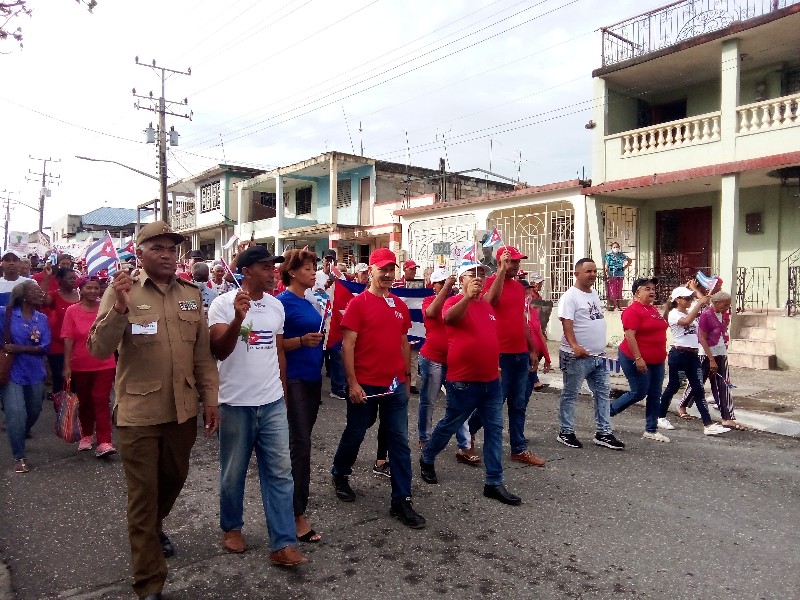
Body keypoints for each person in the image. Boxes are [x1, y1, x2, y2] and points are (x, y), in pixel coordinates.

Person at [88, 221, 220, 600]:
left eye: (172, 248)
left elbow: (202, 355)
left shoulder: (191, 295)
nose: (166, 254)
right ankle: (149, 584)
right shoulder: (122, 291)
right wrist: (119, 309)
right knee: (142, 499)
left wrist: (210, 399)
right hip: (138, 414)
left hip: (181, 412)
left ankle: (154, 524)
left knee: (174, 479)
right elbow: (97, 348)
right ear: (140, 253)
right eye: (157, 247)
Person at [208, 245, 308, 566]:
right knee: (233, 472)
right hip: (235, 403)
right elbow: (220, 350)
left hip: (272, 401)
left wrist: (283, 393)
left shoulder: (276, 306)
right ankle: (232, 527)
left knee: (280, 472)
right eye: (265, 267)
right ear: (247, 271)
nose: (272, 273)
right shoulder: (223, 305)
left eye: (272, 267)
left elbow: (277, 351)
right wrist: (239, 319)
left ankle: (282, 543)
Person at [330, 248, 425, 529]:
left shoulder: (399, 304)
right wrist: (352, 383)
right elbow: (347, 346)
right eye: (381, 269)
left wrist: (407, 379)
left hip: (394, 384)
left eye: (391, 269)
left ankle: (401, 500)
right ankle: (340, 472)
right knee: (356, 432)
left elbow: (403, 342)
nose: (386, 274)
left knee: (399, 441)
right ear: (370, 271)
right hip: (365, 384)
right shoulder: (359, 304)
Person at [419, 262, 522, 505]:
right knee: (449, 424)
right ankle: (428, 456)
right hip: (463, 381)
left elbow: (488, 336)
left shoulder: (486, 305)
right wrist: (466, 297)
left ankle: (494, 482)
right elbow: (449, 319)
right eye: (472, 275)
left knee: (495, 430)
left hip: (490, 381)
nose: (478, 278)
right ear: (461, 280)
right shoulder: (453, 302)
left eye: (481, 275)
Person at [471, 246, 545, 467]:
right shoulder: (492, 281)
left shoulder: (520, 288)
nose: (516, 265)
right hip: (500, 354)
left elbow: (521, 321)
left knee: (519, 403)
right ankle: (467, 432)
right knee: (494, 402)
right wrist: (501, 271)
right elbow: (489, 302)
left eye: (517, 262)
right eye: (511, 261)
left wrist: (532, 349)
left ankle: (518, 448)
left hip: (520, 353)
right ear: (502, 262)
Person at [277, 248, 325, 544]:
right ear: (292, 272)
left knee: (301, 442)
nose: (313, 272)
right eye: (307, 268)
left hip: (312, 378)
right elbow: (274, 343)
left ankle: (292, 507)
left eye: (314, 268)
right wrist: (301, 341)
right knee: (300, 446)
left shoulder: (309, 300)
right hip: (293, 379)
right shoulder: (282, 302)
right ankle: (296, 514)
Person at [557, 259, 625, 450]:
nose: (593, 274)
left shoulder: (594, 293)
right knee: (571, 394)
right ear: (577, 274)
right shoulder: (570, 297)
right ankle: (566, 431)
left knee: (603, 393)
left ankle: (604, 432)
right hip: (576, 356)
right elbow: (567, 323)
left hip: (598, 356)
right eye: (588, 271)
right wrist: (574, 345)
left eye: (595, 271)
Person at [418, 267, 478, 464]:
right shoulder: (429, 301)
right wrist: (447, 288)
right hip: (432, 358)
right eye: (441, 283)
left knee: (459, 404)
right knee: (429, 401)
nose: (446, 286)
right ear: (433, 286)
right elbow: (432, 312)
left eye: (447, 282)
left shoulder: (456, 302)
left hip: (454, 360)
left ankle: (464, 445)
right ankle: (425, 437)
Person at [657, 286, 728, 436]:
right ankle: (660, 416)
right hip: (679, 354)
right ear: (677, 300)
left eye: (691, 298)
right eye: (687, 298)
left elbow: (707, 304)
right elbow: (686, 321)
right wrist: (698, 303)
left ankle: (708, 425)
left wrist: (697, 291)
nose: (690, 300)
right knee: (673, 386)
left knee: (698, 389)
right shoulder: (673, 314)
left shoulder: (691, 311)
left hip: (693, 355)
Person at [610, 277, 671, 442]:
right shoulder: (633, 311)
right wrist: (638, 358)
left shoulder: (651, 309)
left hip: (657, 360)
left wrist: (667, 309)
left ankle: (651, 430)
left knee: (655, 394)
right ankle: (606, 413)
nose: (652, 291)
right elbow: (630, 336)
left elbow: (660, 325)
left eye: (653, 288)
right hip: (634, 357)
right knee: (639, 392)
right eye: (647, 289)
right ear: (637, 292)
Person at [62, 277, 118, 457]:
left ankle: (105, 441)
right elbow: (68, 338)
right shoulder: (72, 311)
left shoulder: (106, 308)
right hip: (80, 364)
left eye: (96, 288)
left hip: (105, 363)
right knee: (85, 402)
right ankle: (86, 434)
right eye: (89, 288)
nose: (93, 291)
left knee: (101, 400)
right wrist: (67, 365)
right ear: (81, 290)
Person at [1, 280, 50, 473]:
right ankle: (19, 456)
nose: (41, 293)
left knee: (34, 409)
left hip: (35, 370)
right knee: (15, 413)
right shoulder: (5, 313)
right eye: (35, 291)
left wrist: (20, 348)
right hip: (12, 370)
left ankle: (22, 430)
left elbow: (44, 347)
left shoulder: (41, 318)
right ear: (23, 295)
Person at [679, 291, 742, 430]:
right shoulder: (706, 315)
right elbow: (701, 338)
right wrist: (711, 359)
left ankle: (727, 417)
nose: (727, 307)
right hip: (706, 354)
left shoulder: (721, 313)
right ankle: (682, 405)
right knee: (698, 383)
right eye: (725, 305)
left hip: (721, 352)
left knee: (723, 385)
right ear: (717, 303)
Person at [42, 266, 80, 399]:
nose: (73, 281)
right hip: (57, 346)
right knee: (60, 378)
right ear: (60, 280)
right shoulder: (54, 295)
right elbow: (42, 300)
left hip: (78, 346)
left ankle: (75, 414)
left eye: (74, 278)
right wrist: (47, 278)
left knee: (77, 380)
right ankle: (62, 415)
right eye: (69, 278)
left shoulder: (81, 295)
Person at [524, 280, 551, 396]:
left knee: (525, 396)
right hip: (522, 357)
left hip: (534, 356)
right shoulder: (516, 311)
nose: (528, 294)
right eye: (525, 292)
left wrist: (547, 357)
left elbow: (539, 333)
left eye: (529, 291)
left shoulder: (533, 312)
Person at [603, 242, 632, 311]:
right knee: (613, 290)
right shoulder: (609, 256)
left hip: (620, 274)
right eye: (614, 247)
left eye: (617, 247)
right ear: (612, 248)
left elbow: (630, 260)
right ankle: (616, 305)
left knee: (619, 289)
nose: (616, 248)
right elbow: (606, 265)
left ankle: (620, 305)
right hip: (612, 274)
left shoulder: (621, 255)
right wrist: (607, 274)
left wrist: (625, 267)